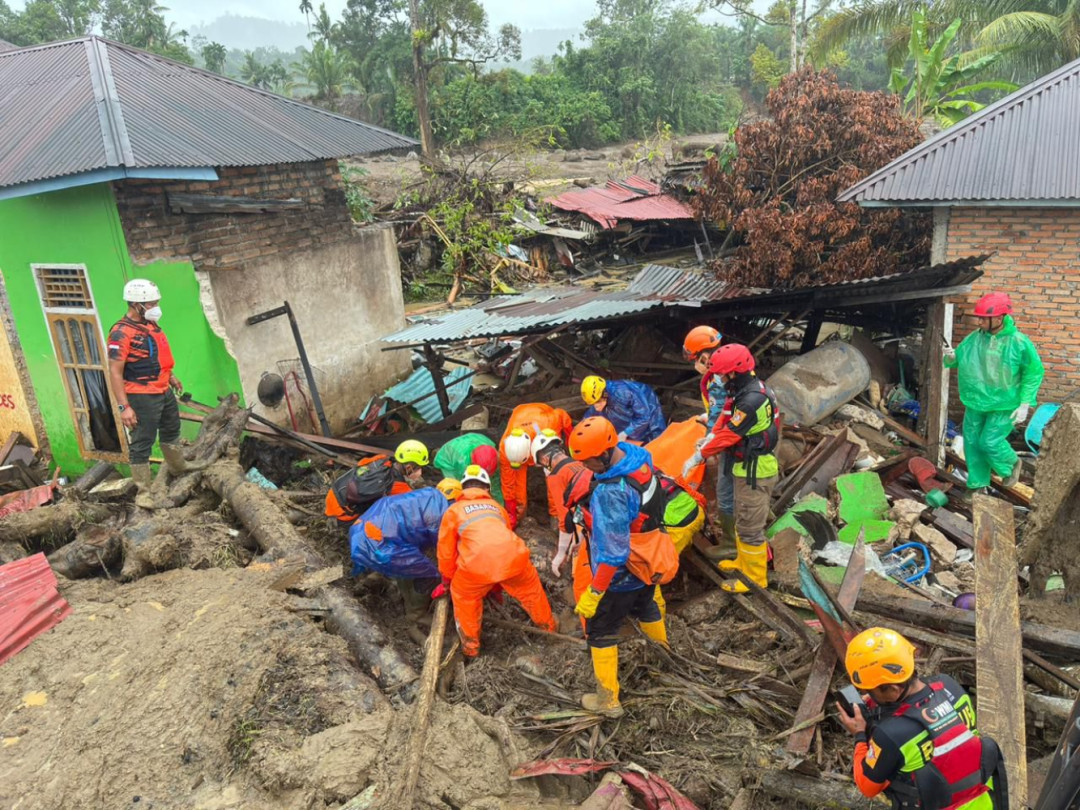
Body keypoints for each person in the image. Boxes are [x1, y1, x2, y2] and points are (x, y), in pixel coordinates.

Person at [567, 416, 675, 718]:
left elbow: (613, 553)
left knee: (601, 630)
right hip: (649, 557)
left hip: (624, 571)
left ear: (603, 453)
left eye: (589, 461)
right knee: (647, 605)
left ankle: (608, 700)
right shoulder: (638, 457)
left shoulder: (611, 492)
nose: (587, 467)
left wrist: (595, 591)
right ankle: (663, 662)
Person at [837, 627, 1007, 810]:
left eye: (870, 690)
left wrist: (860, 735)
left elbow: (867, 787)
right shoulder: (948, 685)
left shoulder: (890, 735)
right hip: (985, 802)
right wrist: (877, 700)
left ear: (894, 689)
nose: (866, 693)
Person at [682, 344, 779, 593]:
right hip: (744, 467)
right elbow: (724, 418)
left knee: (749, 527)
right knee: (741, 517)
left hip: (755, 471)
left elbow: (730, 435)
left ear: (734, 372)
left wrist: (700, 455)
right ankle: (742, 563)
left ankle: (755, 578)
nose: (718, 378)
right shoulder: (739, 390)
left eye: (721, 374)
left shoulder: (752, 400)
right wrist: (709, 436)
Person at [435, 464, 557, 657]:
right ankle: (549, 629)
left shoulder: (453, 511)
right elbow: (502, 537)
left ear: (464, 487)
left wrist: (448, 579)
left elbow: (445, 552)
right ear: (487, 488)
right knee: (532, 592)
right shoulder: (497, 507)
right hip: (514, 560)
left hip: (476, 569)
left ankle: (471, 648)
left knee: (464, 597)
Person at [107, 278, 207, 508]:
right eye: (151, 303)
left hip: (162, 390)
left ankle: (177, 465)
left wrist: (171, 376)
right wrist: (124, 407)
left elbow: (156, 356)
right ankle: (143, 492)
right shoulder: (120, 333)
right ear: (136, 305)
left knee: (172, 428)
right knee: (142, 441)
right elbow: (114, 372)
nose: (156, 307)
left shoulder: (151, 326)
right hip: (141, 395)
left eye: (156, 302)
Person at [944, 292, 1044, 498]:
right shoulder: (974, 338)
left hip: (1004, 404)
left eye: (983, 318)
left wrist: (1025, 403)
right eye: (979, 317)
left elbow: (1033, 372)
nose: (979, 321)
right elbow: (958, 359)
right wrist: (951, 356)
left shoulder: (1018, 342)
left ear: (998, 318)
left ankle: (1012, 464)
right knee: (972, 444)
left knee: (989, 442)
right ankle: (977, 485)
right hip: (976, 401)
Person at [349, 484, 454, 617]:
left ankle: (405, 596)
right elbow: (442, 545)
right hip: (379, 545)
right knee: (430, 574)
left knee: (410, 563)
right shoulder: (440, 511)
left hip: (361, 530)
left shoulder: (428, 494)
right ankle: (416, 615)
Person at [682, 325, 736, 547]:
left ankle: (730, 542)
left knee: (725, 492)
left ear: (704, 357)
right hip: (737, 434)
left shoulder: (716, 381)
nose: (695, 364)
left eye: (696, 359)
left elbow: (720, 416)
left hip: (731, 441)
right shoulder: (731, 368)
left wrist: (704, 448)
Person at [498, 402, 573, 529]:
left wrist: (572, 444)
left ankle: (557, 518)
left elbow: (563, 416)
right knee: (517, 485)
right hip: (520, 413)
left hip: (540, 415)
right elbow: (508, 483)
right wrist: (511, 511)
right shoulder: (506, 448)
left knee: (553, 478)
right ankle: (520, 516)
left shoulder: (550, 427)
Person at [325, 439, 429, 527]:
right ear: (409, 467)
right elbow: (413, 510)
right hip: (341, 515)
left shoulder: (381, 458)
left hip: (334, 493)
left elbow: (360, 466)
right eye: (418, 467)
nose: (420, 471)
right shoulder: (400, 488)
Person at [531, 429, 588, 576]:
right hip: (598, 516)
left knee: (581, 573)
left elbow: (565, 519)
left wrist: (560, 553)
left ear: (544, 459)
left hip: (588, 524)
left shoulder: (556, 476)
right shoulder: (580, 463)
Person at [580, 376, 667, 444]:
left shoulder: (624, 393)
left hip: (646, 401)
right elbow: (590, 416)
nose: (596, 407)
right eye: (593, 403)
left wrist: (625, 433)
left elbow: (643, 416)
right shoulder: (602, 398)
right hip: (621, 405)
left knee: (654, 431)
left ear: (604, 394)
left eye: (598, 402)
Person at [433, 433, 503, 505]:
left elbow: (496, 483)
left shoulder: (493, 451)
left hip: (473, 439)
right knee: (456, 489)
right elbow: (465, 487)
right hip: (448, 460)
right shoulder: (463, 463)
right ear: (472, 463)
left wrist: (499, 505)